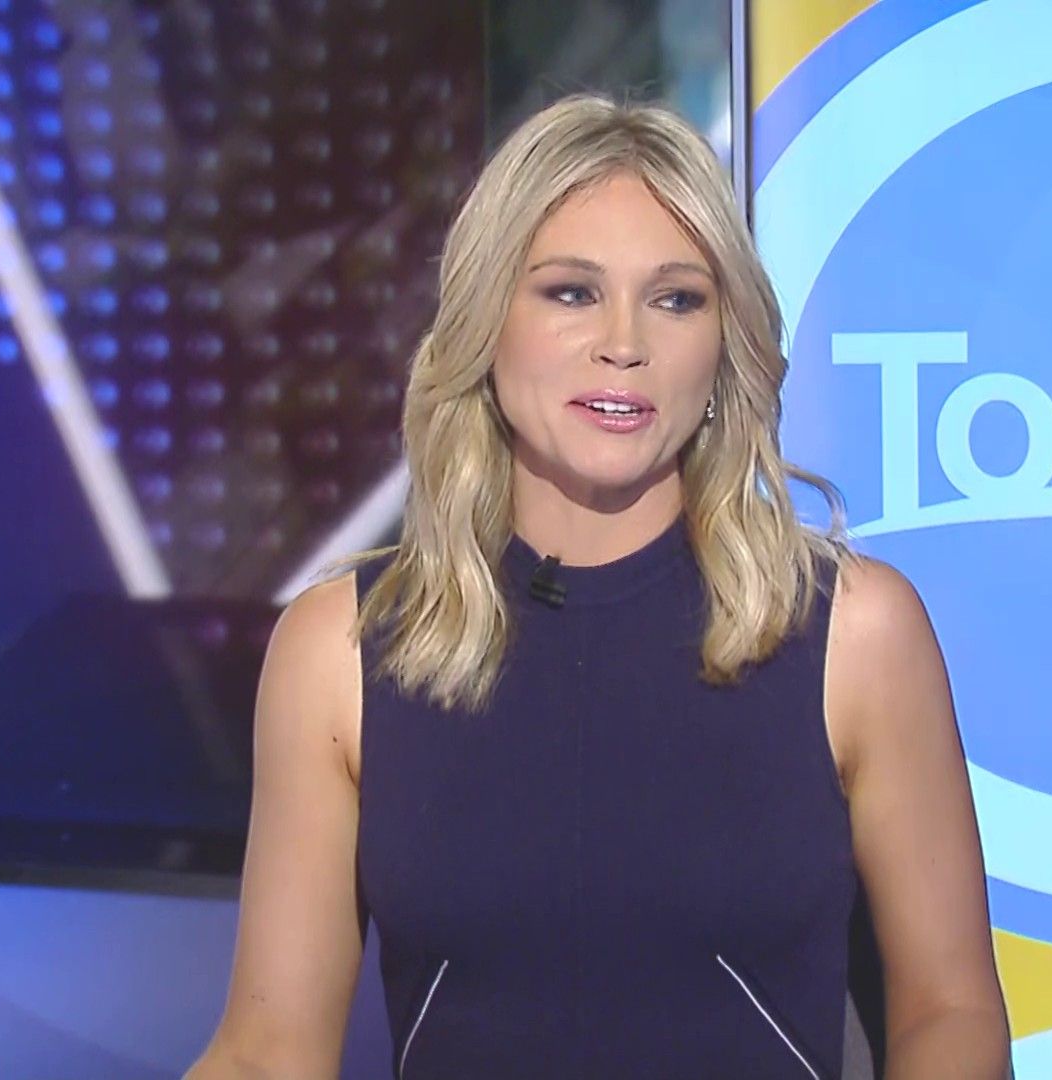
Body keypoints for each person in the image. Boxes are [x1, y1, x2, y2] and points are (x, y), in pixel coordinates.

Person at [185, 93, 1010, 1080]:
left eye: (677, 298)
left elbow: (950, 1013)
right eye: (572, 292)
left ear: (723, 342)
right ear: (488, 322)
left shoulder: (855, 634)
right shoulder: (344, 651)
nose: (625, 342)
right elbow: (267, 1051)